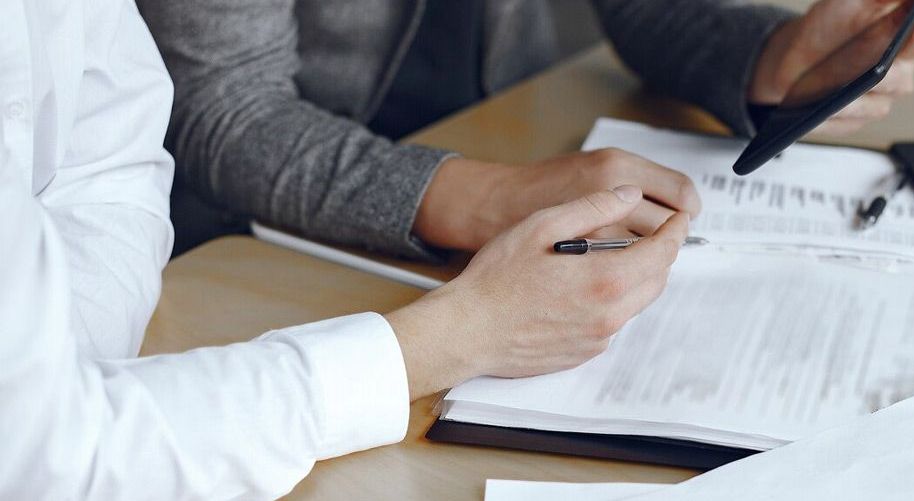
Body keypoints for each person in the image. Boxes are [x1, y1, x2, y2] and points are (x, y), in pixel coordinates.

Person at [0, 0, 685, 498]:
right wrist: (455, 333)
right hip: (268, 249)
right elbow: (56, 452)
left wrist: (59, 353)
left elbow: (108, 157)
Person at [138, 0, 914, 256]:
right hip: (261, 234)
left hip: (512, 136)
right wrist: (488, 199)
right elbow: (222, 108)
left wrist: (767, 60)